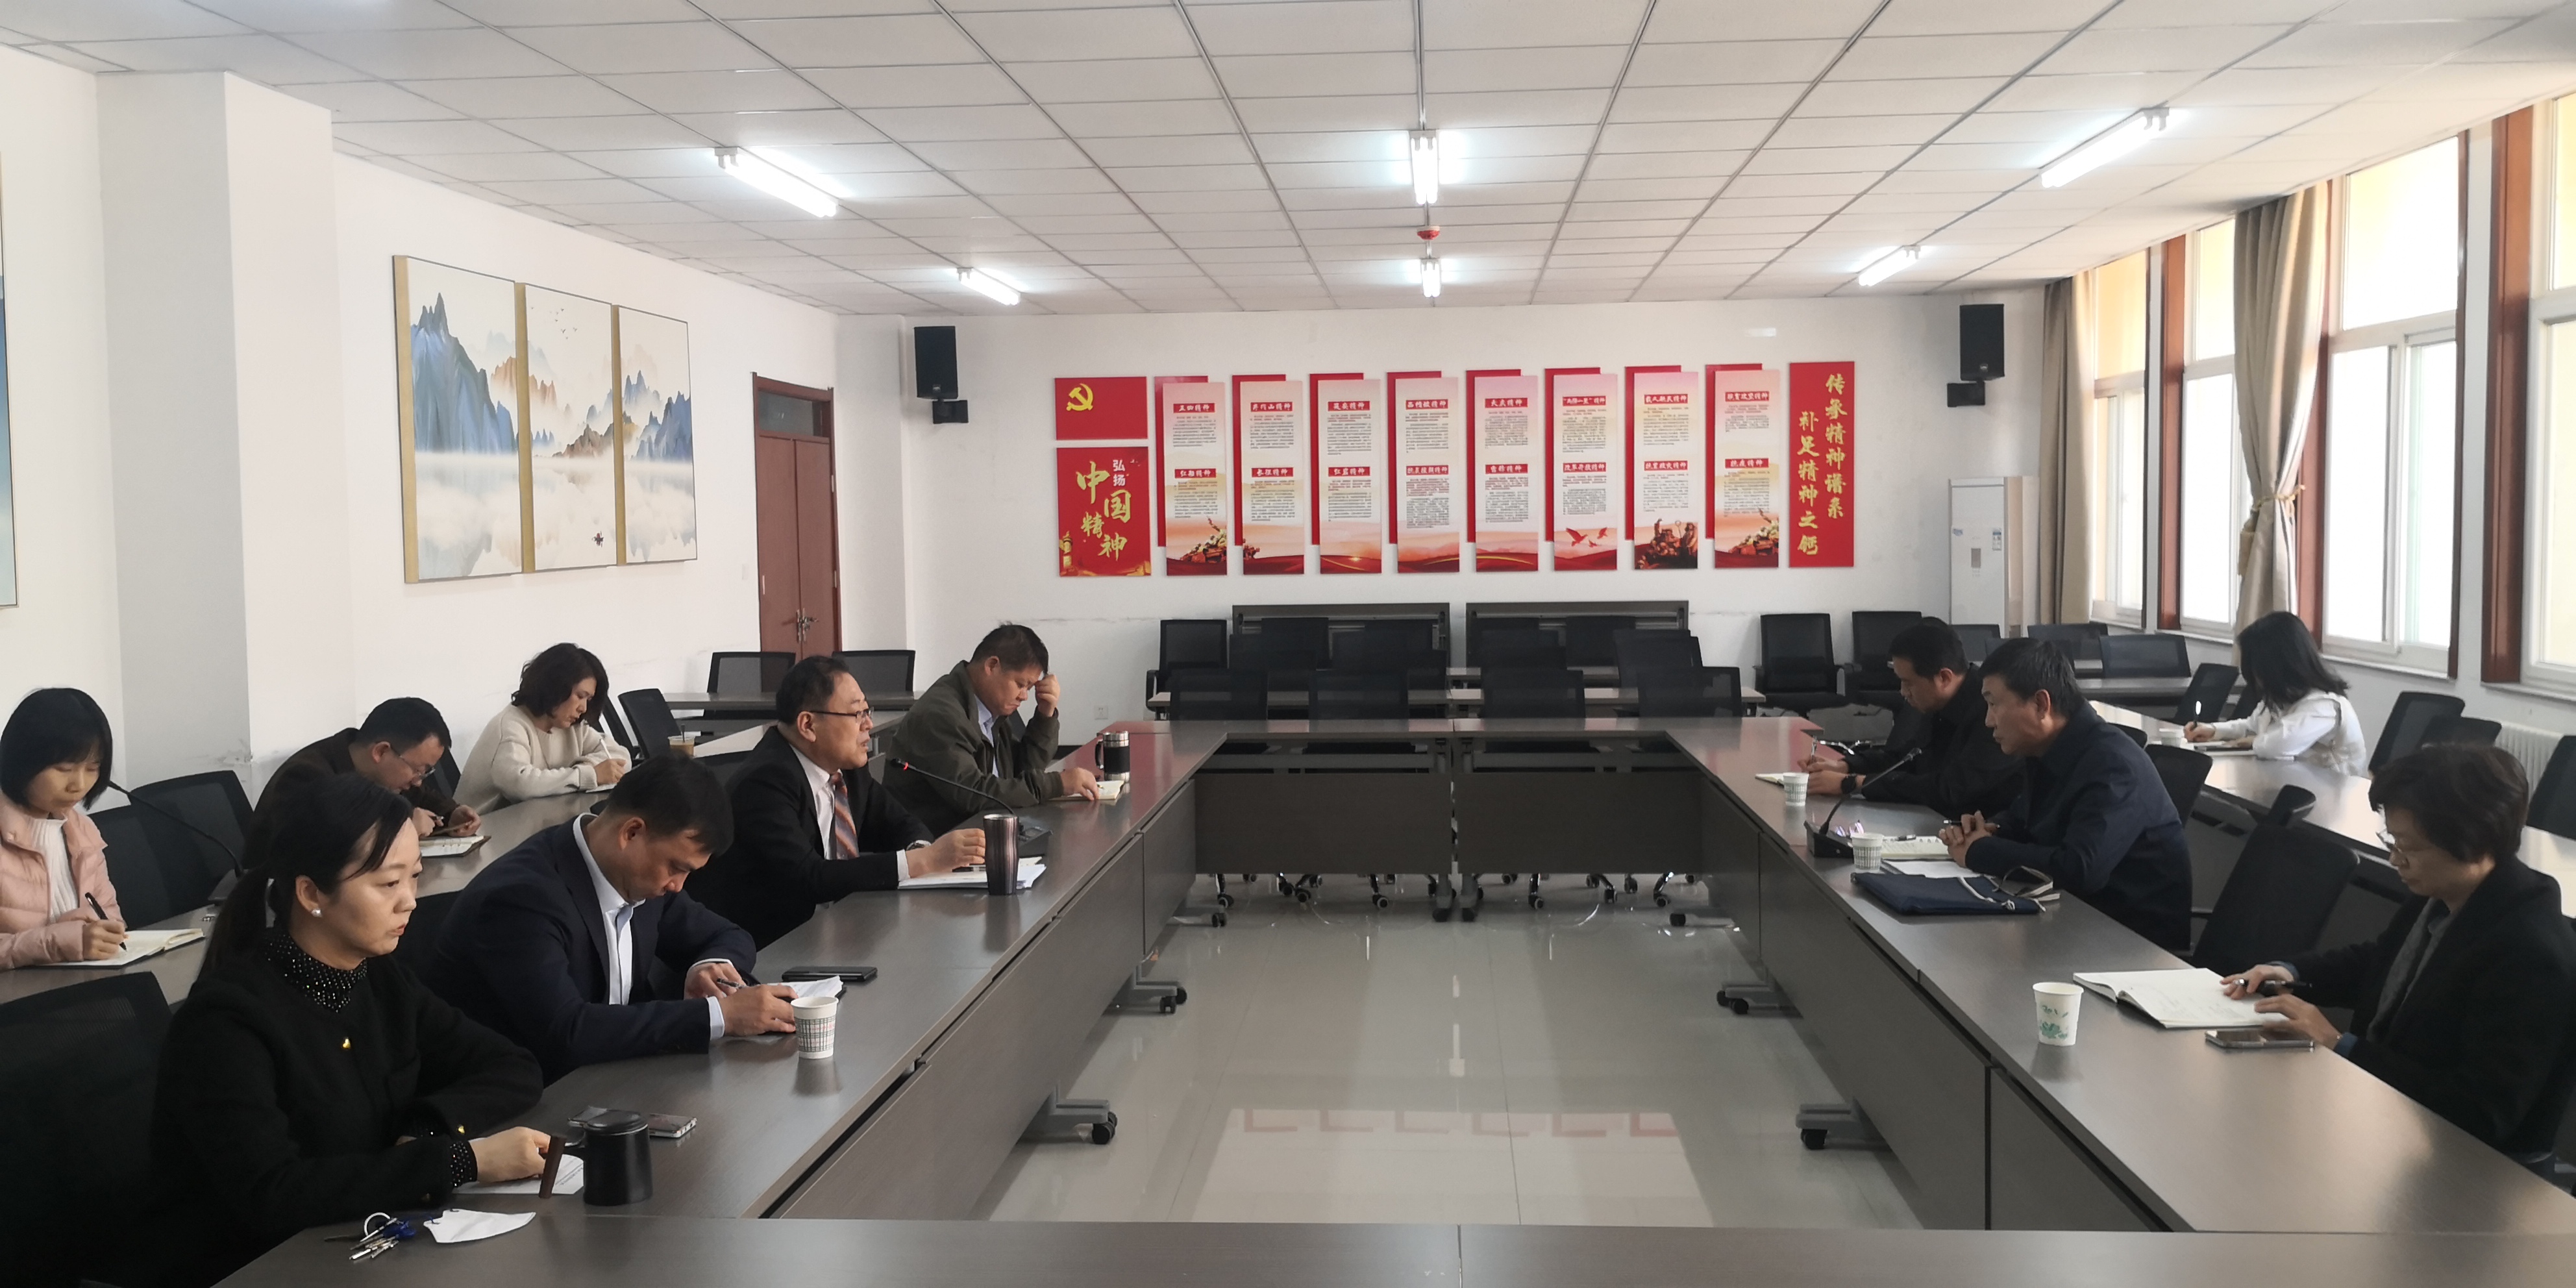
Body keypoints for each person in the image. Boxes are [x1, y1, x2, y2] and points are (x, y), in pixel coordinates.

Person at [145, 776, 545, 1288]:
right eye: (388, 884)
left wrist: (428, 1127)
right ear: (311, 892)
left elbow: (512, 1066)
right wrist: (457, 1161)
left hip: (364, 1243)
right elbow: (273, 1194)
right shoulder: (226, 1021)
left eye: (414, 877)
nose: (410, 901)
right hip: (255, 1266)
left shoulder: (377, 977)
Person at [2225, 746, 2576, 1169]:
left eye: (2408, 848)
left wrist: (2340, 1044)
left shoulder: (2531, 955)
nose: (2395, 860)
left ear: (2474, 843)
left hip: (2472, 1170)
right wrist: (2290, 972)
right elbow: (2381, 962)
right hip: (2391, 1123)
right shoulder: (2445, 894)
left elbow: (2480, 1113)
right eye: (2391, 841)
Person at [426, 754, 795, 1082]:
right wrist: (719, 1016)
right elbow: (567, 1033)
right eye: (676, 867)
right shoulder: (522, 899)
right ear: (632, 832)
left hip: (620, 1077)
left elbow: (729, 935)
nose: (678, 886)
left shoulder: (639, 877)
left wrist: (710, 967)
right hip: (533, 1097)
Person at [689, 656, 987, 948]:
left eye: (868, 711)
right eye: (857, 714)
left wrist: (922, 851)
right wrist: (924, 861)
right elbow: (809, 877)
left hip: (841, 931)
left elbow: (900, 823)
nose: (869, 724)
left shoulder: (847, 769)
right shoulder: (765, 783)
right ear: (808, 725)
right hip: (771, 948)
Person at [1942, 637, 2193, 952]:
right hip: (2076, 922)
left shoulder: (2113, 765)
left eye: (1994, 705)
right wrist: (1992, 830)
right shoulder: (2049, 749)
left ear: (2041, 704)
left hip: (2132, 947)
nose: (1988, 720)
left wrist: (1981, 851)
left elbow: (2079, 869)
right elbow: (2026, 819)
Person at [879, 624, 1098, 834]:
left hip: (980, 832)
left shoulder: (992, 708)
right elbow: (974, 794)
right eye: (1020, 684)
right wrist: (1057, 784)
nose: (1024, 696)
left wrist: (1045, 715)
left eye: (1030, 688)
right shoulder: (941, 715)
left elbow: (1023, 773)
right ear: (992, 666)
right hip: (937, 843)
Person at [1800, 617, 2022, 819]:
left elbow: (1949, 790)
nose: (1903, 692)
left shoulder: (1991, 713)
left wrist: (1854, 784)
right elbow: (1906, 759)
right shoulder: (1939, 703)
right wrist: (1846, 766)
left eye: (1908, 683)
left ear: (1944, 678)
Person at [0, 687, 125, 968]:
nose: (78, 785)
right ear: (23, 761)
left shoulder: (82, 831)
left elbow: (111, 917)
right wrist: (62, 941)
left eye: (92, 768)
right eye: (64, 769)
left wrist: (101, 934)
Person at [256, 697, 479, 843]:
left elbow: (417, 795)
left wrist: (451, 814)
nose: (418, 781)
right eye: (418, 770)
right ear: (381, 751)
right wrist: (401, 827)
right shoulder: (306, 776)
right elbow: (327, 844)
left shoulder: (377, 773)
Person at [2185, 610, 2368, 776]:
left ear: (2278, 666)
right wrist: (2214, 730)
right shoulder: (2283, 695)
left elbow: (2278, 746)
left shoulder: (2325, 706)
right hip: (2293, 781)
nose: (2256, 677)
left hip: (2333, 794)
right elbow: (2252, 726)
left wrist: (2254, 741)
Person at [456, 642, 628, 813]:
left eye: (588, 700)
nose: (583, 708)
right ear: (555, 686)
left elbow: (622, 757)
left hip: (536, 820)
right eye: (580, 696)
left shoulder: (572, 727)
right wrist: (588, 775)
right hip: (486, 826)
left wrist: (588, 769)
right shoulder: (510, 725)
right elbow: (521, 785)